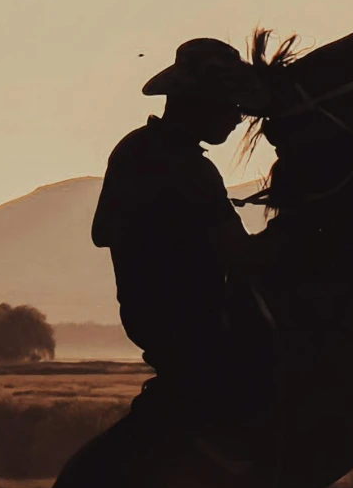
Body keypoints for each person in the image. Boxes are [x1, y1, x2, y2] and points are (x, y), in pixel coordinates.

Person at [93, 36, 274, 465]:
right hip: (194, 330)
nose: (237, 119)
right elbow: (241, 258)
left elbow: (103, 232)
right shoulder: (189, 168)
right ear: (201, 103)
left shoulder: (135, 149)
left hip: (155, 323)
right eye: (230, 106)